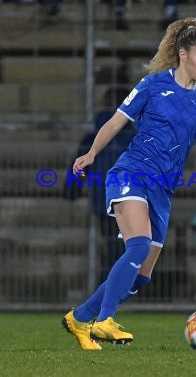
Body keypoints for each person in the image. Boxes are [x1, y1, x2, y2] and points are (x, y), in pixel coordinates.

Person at [61, 17, 196, 351]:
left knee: (142, 274)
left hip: (162, 188)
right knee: (139, 245)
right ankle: (104, 321)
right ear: (184, 54)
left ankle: (79, 318)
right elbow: (117, 121)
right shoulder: (153, 85)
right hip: (130, 173)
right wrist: (90, 154)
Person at [63, 86, 136, 281]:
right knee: (127, 246)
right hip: (131, 200)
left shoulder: (95, 135)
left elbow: (78, 164)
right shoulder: (134, 136)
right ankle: (117, 287)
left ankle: (108, 285)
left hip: (102, 198)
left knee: (114, 243)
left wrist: (71, 190)